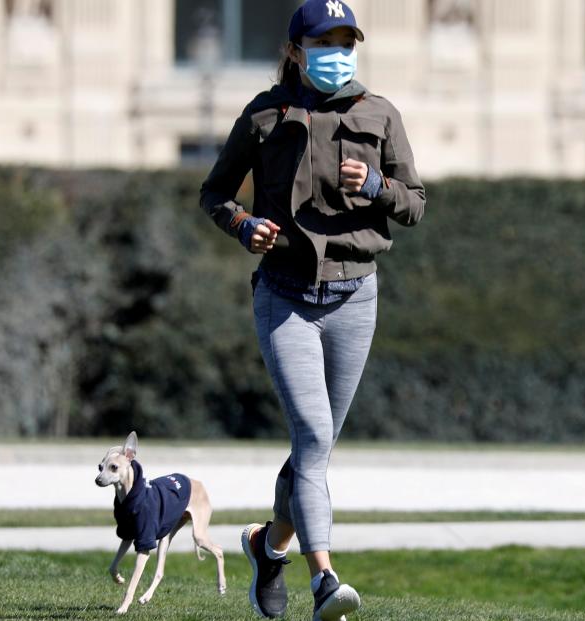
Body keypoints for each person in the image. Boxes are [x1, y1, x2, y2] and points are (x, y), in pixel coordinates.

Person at [199, 0, 425, 618]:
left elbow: (415, 203)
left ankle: (267, 547)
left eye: (348, 41)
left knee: (313, 448)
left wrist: (376, 186)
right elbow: (215, 193)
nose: (339, 53)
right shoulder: (265, 113)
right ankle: (325, 579)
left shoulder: (380, 113)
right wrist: (244, 226)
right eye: (326, 42)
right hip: (285, 297)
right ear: (299, 49)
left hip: (357, 297)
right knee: (316, 435)